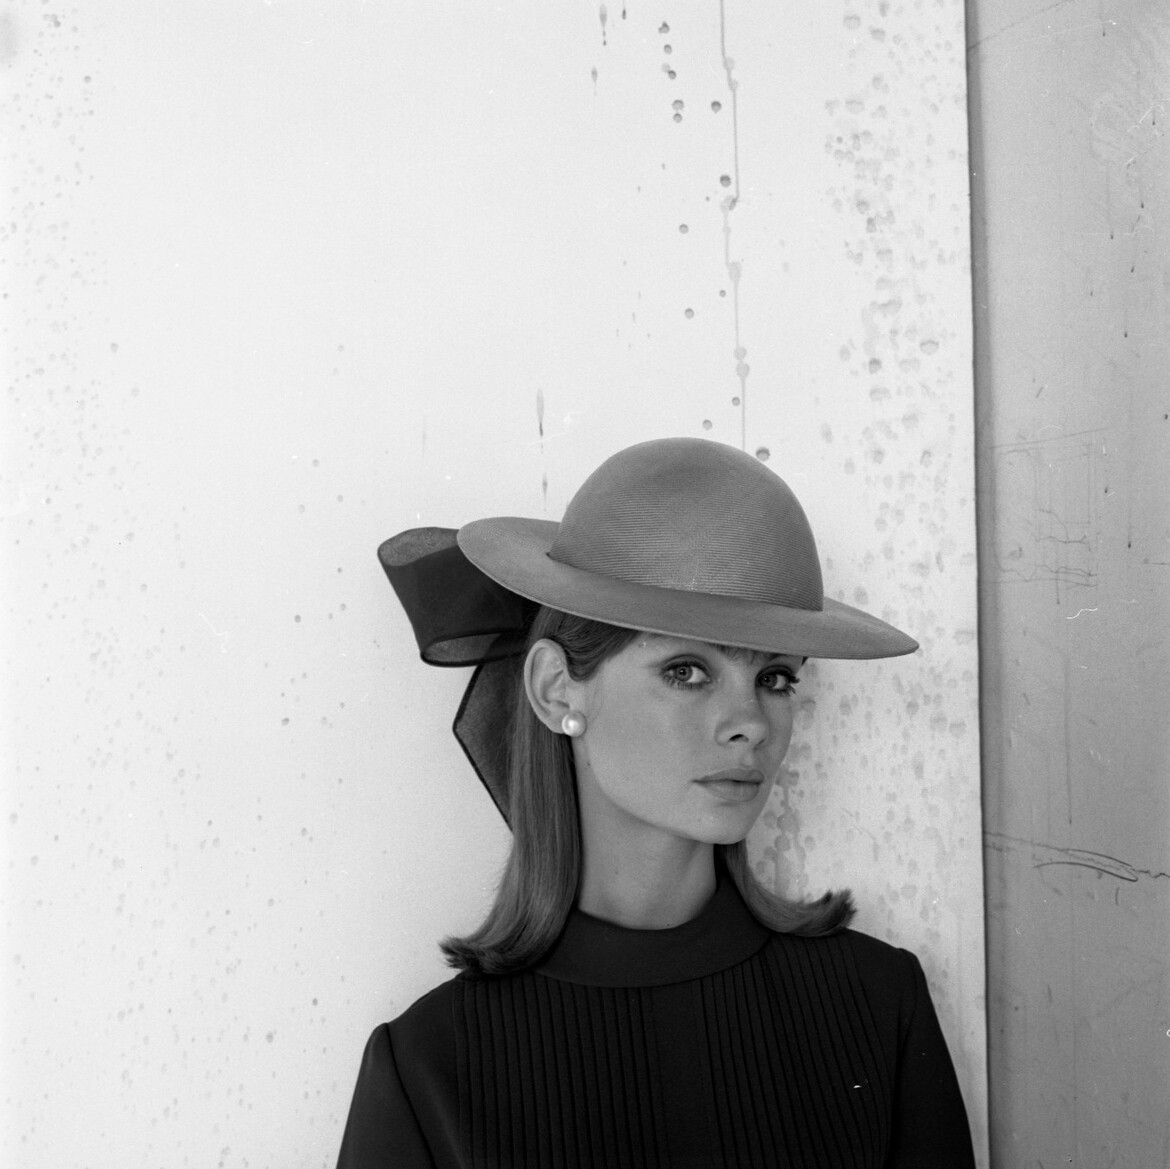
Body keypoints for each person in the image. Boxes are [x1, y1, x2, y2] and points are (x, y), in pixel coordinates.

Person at [337, 437, 975, 1168]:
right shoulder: (430, 1069)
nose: (750, 722)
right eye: (687, 670)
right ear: (556, 689)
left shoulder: (877, 1005)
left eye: (774, 678)